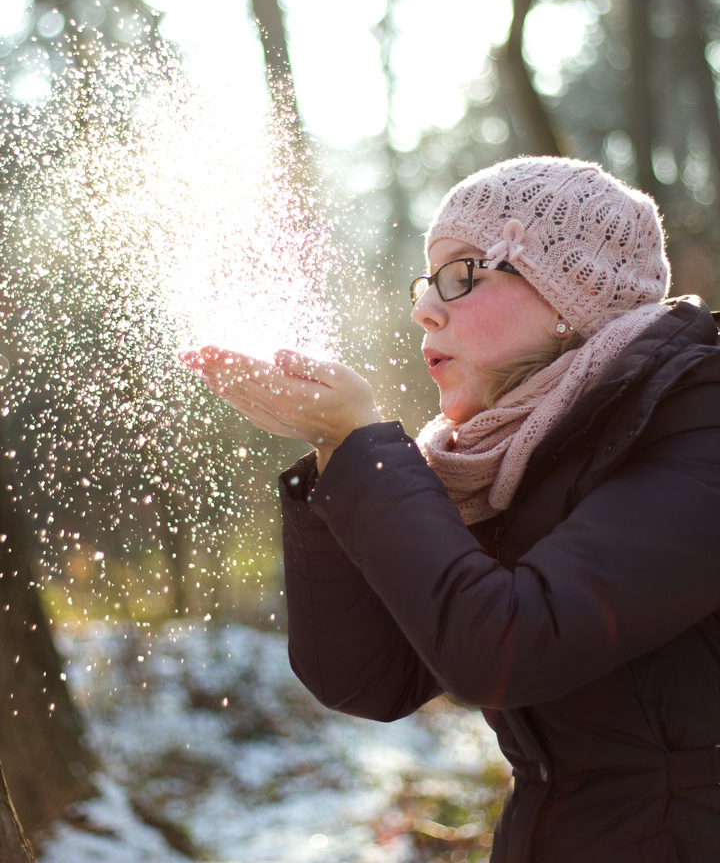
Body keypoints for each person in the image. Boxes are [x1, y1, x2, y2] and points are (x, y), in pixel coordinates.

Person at [179, 156, 720, 863]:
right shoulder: (508, 459)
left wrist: (362, 448)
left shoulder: (699, 424)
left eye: (462, 274)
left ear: (570, 296)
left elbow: (505, 648)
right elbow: (367, 678)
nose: (425, 308)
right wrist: (333, 452)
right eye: (426, 281)